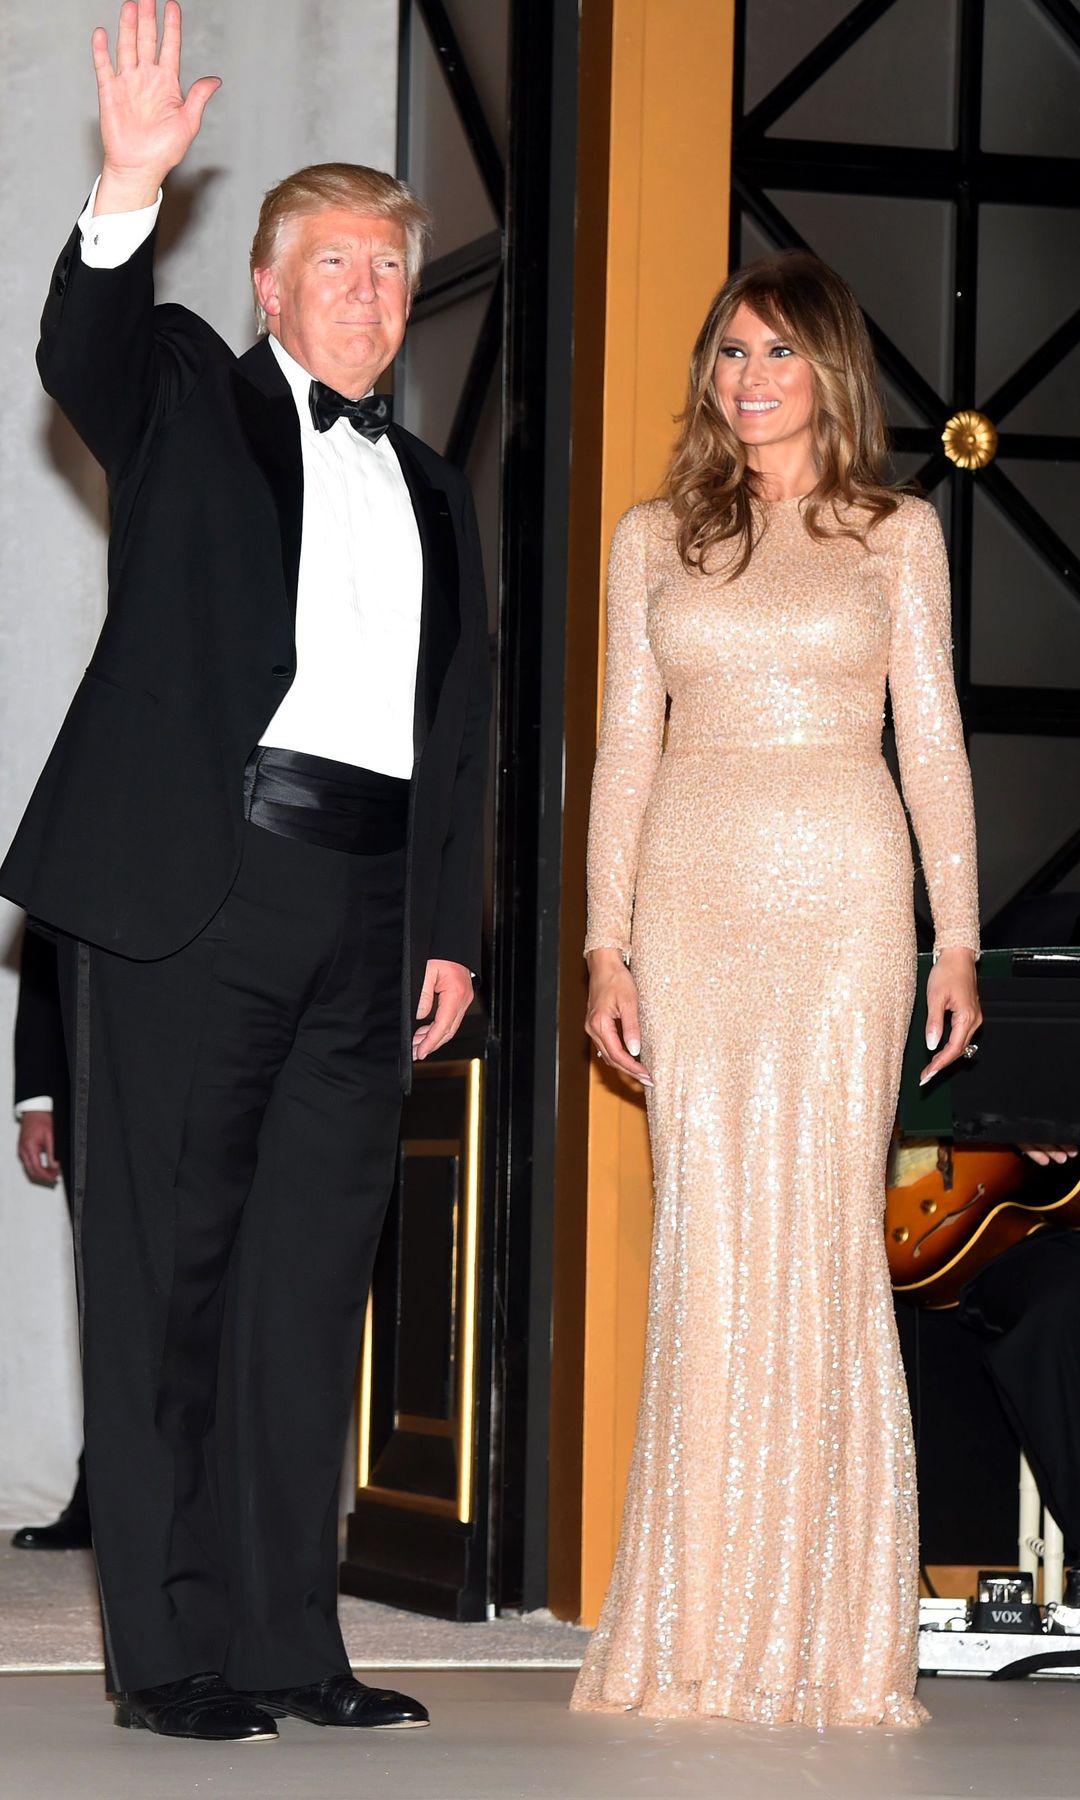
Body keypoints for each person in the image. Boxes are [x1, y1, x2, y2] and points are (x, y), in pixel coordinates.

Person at [0, 0, 488, 1745]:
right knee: (169, 1286)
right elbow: (85, 353)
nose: (364, 291)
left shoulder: (432, 491)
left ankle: (296, 1645)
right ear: (271, 287)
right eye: (332, 265)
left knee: (303, 1291)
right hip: (197, 895)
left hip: (367, 917)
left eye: (387, 269)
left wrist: (448, 933)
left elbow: (459, 730)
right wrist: (127, 190)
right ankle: (178, 1654)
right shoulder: (194, 403)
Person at [574, 251, 981, 1727]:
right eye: (729, 351)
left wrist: (959, 938)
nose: (746, 378)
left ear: (830, 372)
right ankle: (695, 1625)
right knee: (710, 1232)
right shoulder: (649, 540)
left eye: (775, 353)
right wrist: (603, 941)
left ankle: (828, 1630)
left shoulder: (898, 533)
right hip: (691, 894)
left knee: (817, 1233)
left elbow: (929, 739)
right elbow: (625, 745)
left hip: (849, 899)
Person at [10, 923, 92, 1551]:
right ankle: (104, 1496)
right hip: (92, 1079)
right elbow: (48, 931)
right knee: (115, 1298)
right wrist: (38, 1098)